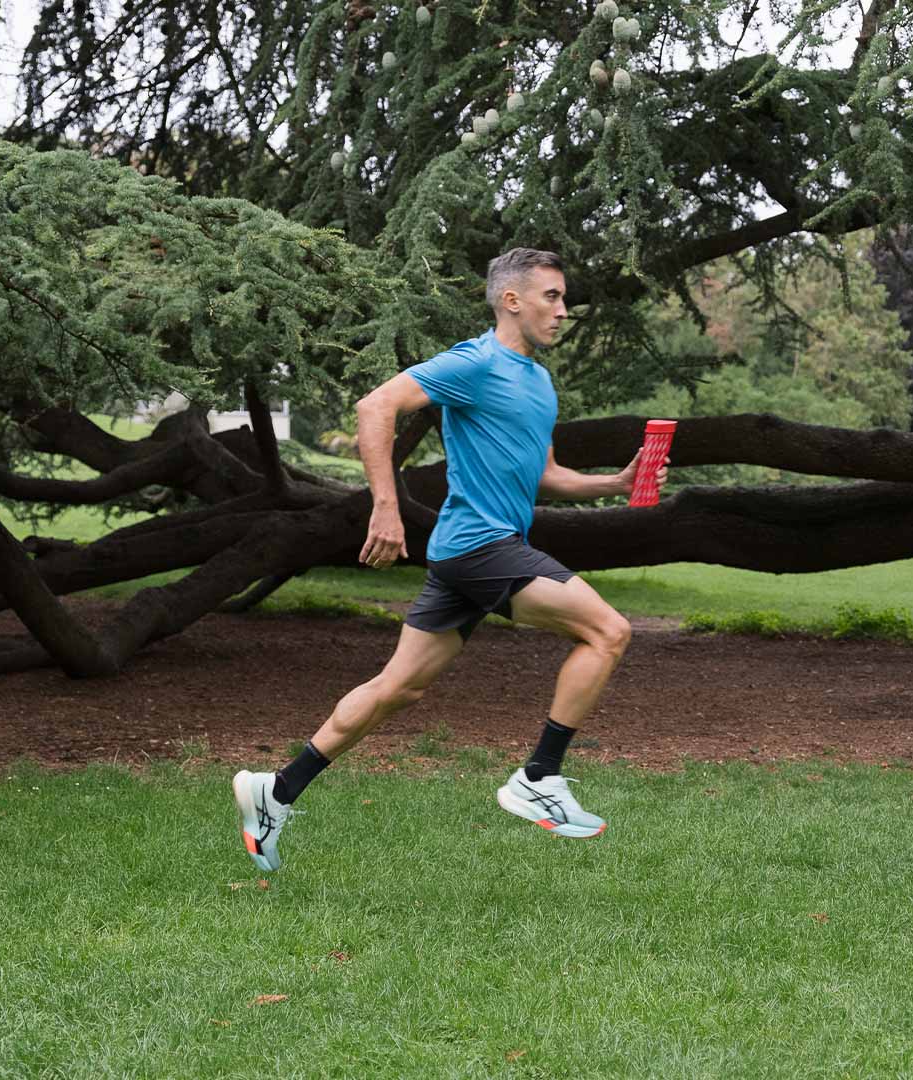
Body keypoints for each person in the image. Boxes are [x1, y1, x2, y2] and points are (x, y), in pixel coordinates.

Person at [232, 247, 668, 871]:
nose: (563, 311)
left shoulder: (539, 381)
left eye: (564, 298)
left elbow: (543, 473)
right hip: (480, 546)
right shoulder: (475, 362)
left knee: (396, 688)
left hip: (473, 552)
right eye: (552, 296)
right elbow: (374, 407)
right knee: (608, 631)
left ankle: (274, 790)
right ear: (511, 300)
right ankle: (539, 777)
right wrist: (385, 505)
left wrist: (615, 484)